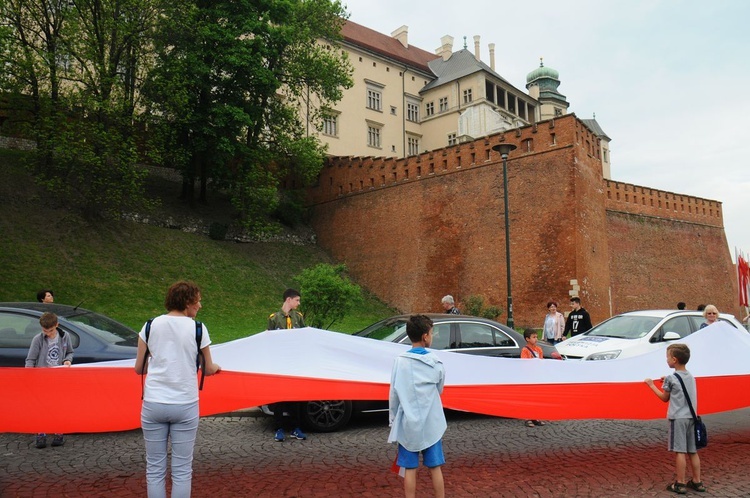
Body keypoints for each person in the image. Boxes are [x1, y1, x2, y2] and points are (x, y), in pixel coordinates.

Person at [134, 281, 221, 498]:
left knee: (154, 468)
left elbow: (139, 368)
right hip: (185, 403)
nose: (200, 305)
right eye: (198, 301)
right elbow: (208, 369)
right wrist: (217, 367)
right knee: (182, 469)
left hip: (154, 403)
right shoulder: (198, 328)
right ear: (188, 302)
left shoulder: (149, 326)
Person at [388, 314, 446, 498]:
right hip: (431, 422)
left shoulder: (399, 362)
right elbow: (440, 388)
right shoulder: (436, 363)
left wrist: (393, 419)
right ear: (425, 336)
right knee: (435, 467)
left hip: (408, 423)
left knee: (409, 469)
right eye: (432, 333)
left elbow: (394, 394)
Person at [644, 344, 706, 494]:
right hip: (691, 417)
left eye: (667, 357)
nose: (666, 359)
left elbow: (664, 398)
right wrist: (668, 380)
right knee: (692, 451)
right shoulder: (690, 376)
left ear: (674, 359)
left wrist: (651, 385)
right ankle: (697, 481)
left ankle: (680, 483)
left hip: (678, 418)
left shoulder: (671, 378)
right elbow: (679, 384)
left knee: (679, 451)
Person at [25, 312, 73, 448]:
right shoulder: (38, 339)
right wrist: (28, 377)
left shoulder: (64, 337)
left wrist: (67, 360)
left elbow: (70, 352)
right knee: (41, 407)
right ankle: (41, 433)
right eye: (44, 330)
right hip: (41, 379)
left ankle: (59, 432)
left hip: (58, 378)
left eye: (50, 330)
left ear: (56, 325)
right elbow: (30, 360)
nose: (47, 333)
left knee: (58, 406)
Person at [267, 288, 307, 442]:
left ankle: (296, 428)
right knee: (279, 397)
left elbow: (303, 337)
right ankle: (279, 429)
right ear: (288, 300)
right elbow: (268, 340)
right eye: (297, 300)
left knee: (296, 397)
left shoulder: (298, 318)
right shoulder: (274, 318)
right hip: (279, 364)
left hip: (294, 363)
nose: (299, 303)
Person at [520, 329, 546, 427]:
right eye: (533, 337)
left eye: (536, 337)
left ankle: (536, 416)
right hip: (529, 377)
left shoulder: (539, 349)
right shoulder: (525, 350)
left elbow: (541, 361)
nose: (536, 339)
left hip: (537, 376)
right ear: (527, 339)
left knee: (537, 398)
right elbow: (524, 363)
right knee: (528, 398)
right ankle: (527, 417)